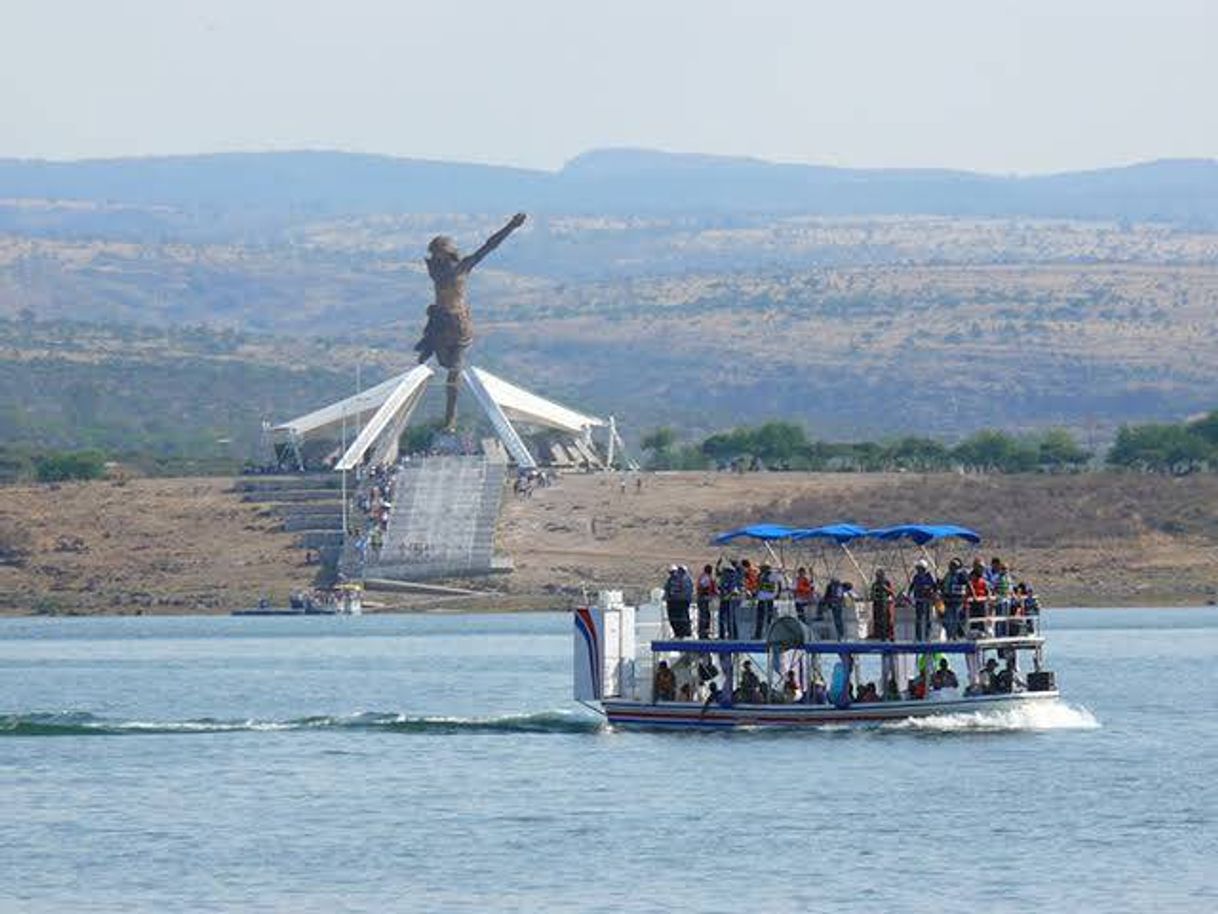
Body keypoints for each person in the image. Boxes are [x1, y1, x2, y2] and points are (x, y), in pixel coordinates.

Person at [414, 213, 528, 431]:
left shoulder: (462, 267)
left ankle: (450, 418)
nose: (437, 257)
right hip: (440, 323)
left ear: (447, 254)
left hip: (459, 325)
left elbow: (489, 246)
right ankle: (430, 352)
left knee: (453, 370)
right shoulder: (435, 270)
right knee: (445, 363)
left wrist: (511, 226)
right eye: (435, 254)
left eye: (440, 253)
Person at [910, 559, 938, 641]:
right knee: (918, 619)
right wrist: (909, 594)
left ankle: (927, 636)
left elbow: (934, 587)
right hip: (919, 600)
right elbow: (912, 585)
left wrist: (929, 590)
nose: (918, 570)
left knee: (928, 619)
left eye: (919, 568)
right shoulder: (916, 577)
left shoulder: (929, 576)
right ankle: (918, 637)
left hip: (927, 601)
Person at [941, 558, 969, 639]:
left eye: (954, 565)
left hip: (958, 601)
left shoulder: (961, 574)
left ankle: (959, 635)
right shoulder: (948, 575)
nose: (952, 567)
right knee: (948, 620)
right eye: (951, 565)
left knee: (957, 618)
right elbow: (943, 584)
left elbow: (967, 584)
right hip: (948, 601)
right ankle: (951, 635)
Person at [663, 566, 693, 638]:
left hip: (680, 602)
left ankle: (684, 633)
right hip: (674, 601)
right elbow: (667, 589)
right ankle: (678, 633)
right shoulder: (671, 580)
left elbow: (687, 591)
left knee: (682, 618)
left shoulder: (685, 579)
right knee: (675, 619)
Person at [753, 563, 781, 638]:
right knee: (760, 618)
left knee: (768, 617)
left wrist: (778, 593)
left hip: (768, 598)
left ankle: (768, 634)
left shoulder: (771, 575)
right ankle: (758, 634)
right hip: (762, 598)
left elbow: (776, 584)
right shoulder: (760, 575)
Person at [716, 559, 740, 639]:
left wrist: (728, 595)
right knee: (726, 618)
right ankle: (727, 635)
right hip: (725, 598)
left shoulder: (732, 575)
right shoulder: (734, 574)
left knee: (729, 618)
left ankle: (731, 635)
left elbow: (731, 587)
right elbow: (718, 573)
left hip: (729, 599)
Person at [870, 569, 896, 641]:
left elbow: (892, 592)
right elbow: (872, 593)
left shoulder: (887, 583)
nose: (878, 577)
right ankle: (878, 634)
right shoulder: (875, 584)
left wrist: (885, 588)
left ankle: (888, 635)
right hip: (877, 604)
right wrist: (873, 597)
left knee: (887, 620)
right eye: (877, 576)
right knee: (878, 620)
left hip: (885, 604)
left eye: (879, 576)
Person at [695, 563, 718, 640]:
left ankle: (705, 632)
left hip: (704, 599)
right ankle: (703, 633)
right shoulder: (706, 577)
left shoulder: (705, 577)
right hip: (703, 599)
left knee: (706, 615)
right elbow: (704, 587)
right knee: (704, 616)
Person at [967, 566, 990, 636]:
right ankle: (973, 631)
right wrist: (974, 596)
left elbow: (987, 590)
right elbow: (970, 590)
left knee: (981, 617)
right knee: (973, 617)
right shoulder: (971, 583)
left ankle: (982, 631)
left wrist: (988, 596)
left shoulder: (983, 582)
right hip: (973, 603)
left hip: (981, 602)